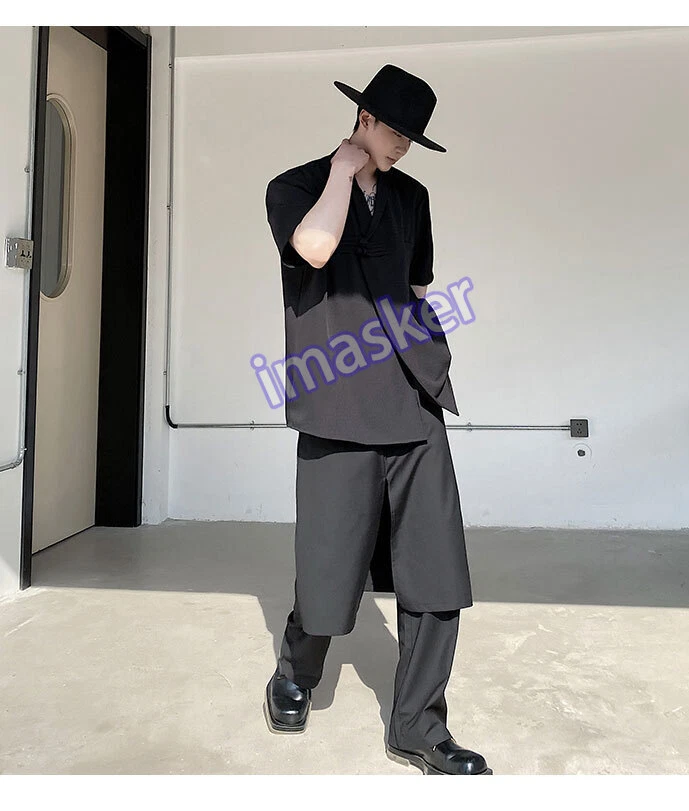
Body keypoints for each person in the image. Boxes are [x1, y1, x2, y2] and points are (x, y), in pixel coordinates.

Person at [263, 64, 491, 776]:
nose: (404, 146)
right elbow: (314, 249)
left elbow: (417, 283)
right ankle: (296, 670)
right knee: (329, 567)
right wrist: (342, 172)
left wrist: (428, 350)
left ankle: (419, 725)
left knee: (438, 570)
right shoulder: (294, 187)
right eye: (396, 131)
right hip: (336, 399)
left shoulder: (412, 197)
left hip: (412, 397)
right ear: (364, 118)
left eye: (413, 138)